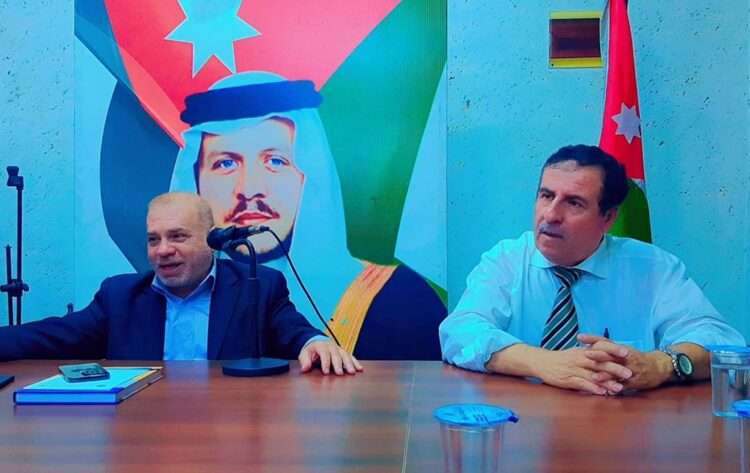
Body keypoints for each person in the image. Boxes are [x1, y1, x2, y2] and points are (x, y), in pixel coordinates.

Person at [171, 71, 446, 360]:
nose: (250, 189)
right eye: (226, 164)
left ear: (310, 175)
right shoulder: (171, 302)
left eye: (275, 161)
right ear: (196, 180)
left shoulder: (400, 299)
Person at [440, 144, 745, 395]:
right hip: (521, 425)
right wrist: (543, 363)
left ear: (608, 218)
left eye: (573, 203)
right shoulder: (507, 259)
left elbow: (722, 343)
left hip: (623, 428)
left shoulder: (653, 268)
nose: (551, 215)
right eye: (546, 195)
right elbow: (460, 332)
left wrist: (660, 365)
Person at [0, 192, 362, 375]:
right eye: (153, 240)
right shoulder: (121, 296)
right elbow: (51, 336)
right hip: (147, 435)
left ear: (213, 240)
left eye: (177, 236)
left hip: (231, 437)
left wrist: (316, 342)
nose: (163, 250)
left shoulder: (258, 286)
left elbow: (295, 332)